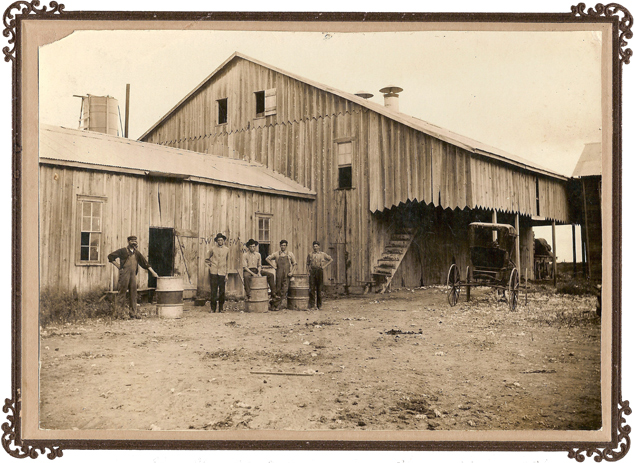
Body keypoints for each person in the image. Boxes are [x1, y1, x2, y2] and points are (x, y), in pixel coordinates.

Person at [108, 236, 158, 319]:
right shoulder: (122, 251)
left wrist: (153, 272)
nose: (134, 242)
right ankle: (120, 314)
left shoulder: (137, 253)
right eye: (132, 241)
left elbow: (145, 263)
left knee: (133, 294)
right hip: (124, 274)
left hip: (133, 275)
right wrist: (118, 266)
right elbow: (110, 257)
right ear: (128, 241)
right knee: (122, 293)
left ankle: (133, 313)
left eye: (135, 241)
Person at [267, 239, 297, 309]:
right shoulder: (276, 254)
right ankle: (276, 306)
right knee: (278, 289)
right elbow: (267, 259)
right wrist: (273, 266)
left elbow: (295, 264)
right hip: (279, 274)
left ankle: (274, 303)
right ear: (280, 246)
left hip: (287, 275)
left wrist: (291, 272)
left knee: (285, 289)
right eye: (282, 245)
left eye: (284, 245)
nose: (283, 247)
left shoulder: (290, 254)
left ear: (286, 246)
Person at [205, 233, 230, 313]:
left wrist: (227, 274)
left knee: (222, 291)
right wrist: (211, 266)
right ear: (216, 241)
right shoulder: (212, 249)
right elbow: (206, 259)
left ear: (223, 241)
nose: (220, 241)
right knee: (213, 290)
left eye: (221, 240)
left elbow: (228, 262)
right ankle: (213, 308)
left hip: (222, 272)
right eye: (218, 240)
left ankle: (221, 308)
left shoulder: (227, 249)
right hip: (214, 272)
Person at [306, 240, 333, 310]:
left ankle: (319, 305)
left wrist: (324, 266)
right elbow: (307, 264)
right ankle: (312, 305)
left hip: (319, 271)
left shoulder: (323, 254)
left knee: (319, 289)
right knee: (311, 288)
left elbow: (331, 260)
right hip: (312, 271)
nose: (315, 248)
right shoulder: (310, 254)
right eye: (314, 246)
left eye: (316, 246)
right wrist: (308, 271)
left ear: (319, 247)